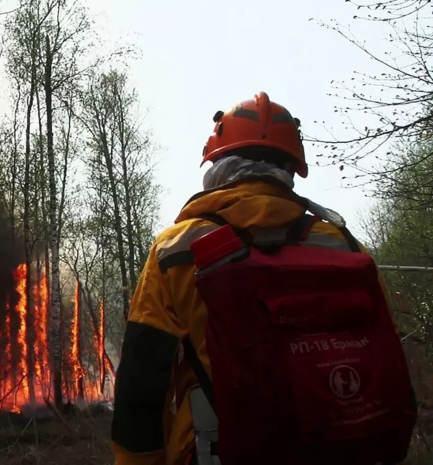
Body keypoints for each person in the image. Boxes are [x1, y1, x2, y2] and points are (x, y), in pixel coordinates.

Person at [110, 92, 416, 465]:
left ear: (217, 163)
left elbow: (142, 382)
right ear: (291, 167)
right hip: (343, 448)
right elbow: (384, 352)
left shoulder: (177, 248)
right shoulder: (344, 245)